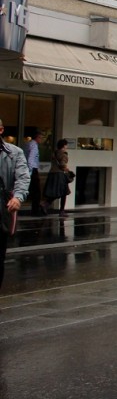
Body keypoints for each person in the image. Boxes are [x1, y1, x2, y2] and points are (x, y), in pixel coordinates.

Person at [0, 119, 30, 289]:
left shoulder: (14, 153)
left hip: (2, 208)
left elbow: (23, 177)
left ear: (1, 130)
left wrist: (18, 197)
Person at [47, 138, 72, 218]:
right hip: (60, 175)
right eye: (66, 145)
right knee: (64, 192)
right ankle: (61, 211)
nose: (67, 146)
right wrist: (66, 168)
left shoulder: (54, 153)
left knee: (56, 192)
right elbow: (62, 164)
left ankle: (45, 204)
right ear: (64, 146)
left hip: (52, 173)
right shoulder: (63, 154)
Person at [24, 130, 43, 215]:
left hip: (28, 169)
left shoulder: (28, 144)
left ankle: (34, 209)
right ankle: (35, 211)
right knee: (37, 191)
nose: (41, 140)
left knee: (32, 190)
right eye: (41, 138)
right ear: (37, 137)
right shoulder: (34, 145)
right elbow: (31, 159)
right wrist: (30, 172)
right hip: (33, 170)